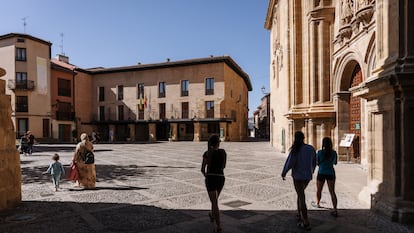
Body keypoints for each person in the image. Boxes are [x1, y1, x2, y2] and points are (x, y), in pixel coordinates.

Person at [281, 131, 316, 231]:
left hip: (298, 176)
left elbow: (289, 163)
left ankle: (306, 221)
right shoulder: (310, 148)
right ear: (304, 138)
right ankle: (298, 213)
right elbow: (314, 162)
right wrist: (311, 171)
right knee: (300, 194)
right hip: (307, 176)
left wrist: (284, 173)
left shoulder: (295, 150)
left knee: (301, 196)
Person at [201, 135, 227, 233]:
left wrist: (207, 177)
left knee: (214, 202)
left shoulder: (207, 153)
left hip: (210, 178)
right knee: (215, 201)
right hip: (220, 178)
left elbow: (202, 169)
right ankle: (212, 215)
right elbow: (224, 166)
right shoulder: (223, 152)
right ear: (218, 143)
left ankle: (219, 226)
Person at [312, 137, 338, 217]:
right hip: (331, 173)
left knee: (319, 190)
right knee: (332, 191)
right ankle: (335, 209)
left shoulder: (319, 152)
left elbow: (317, 162)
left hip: (321, 172)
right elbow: (335, 163)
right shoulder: (334, 153)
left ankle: (317, 203)